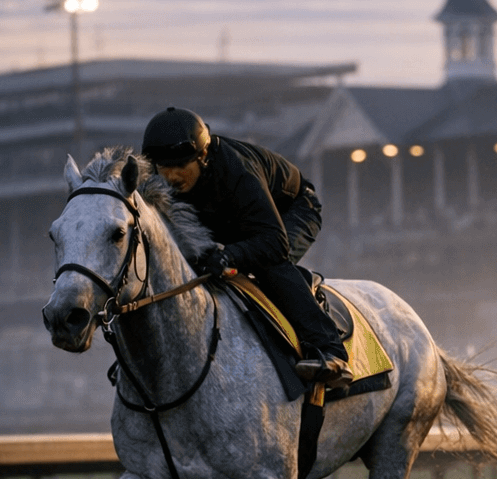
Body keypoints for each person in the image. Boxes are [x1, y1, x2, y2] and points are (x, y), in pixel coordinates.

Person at [140, 106, 351, 389]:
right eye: (165, 169)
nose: (172, 177)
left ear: (202, 156)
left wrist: (229, 255)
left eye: (181, 167)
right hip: (234, 221)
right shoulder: (157, 180)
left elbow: (274, 242)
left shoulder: (237, 171)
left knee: (269, 266)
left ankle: (331, 352)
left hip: (293, 211)